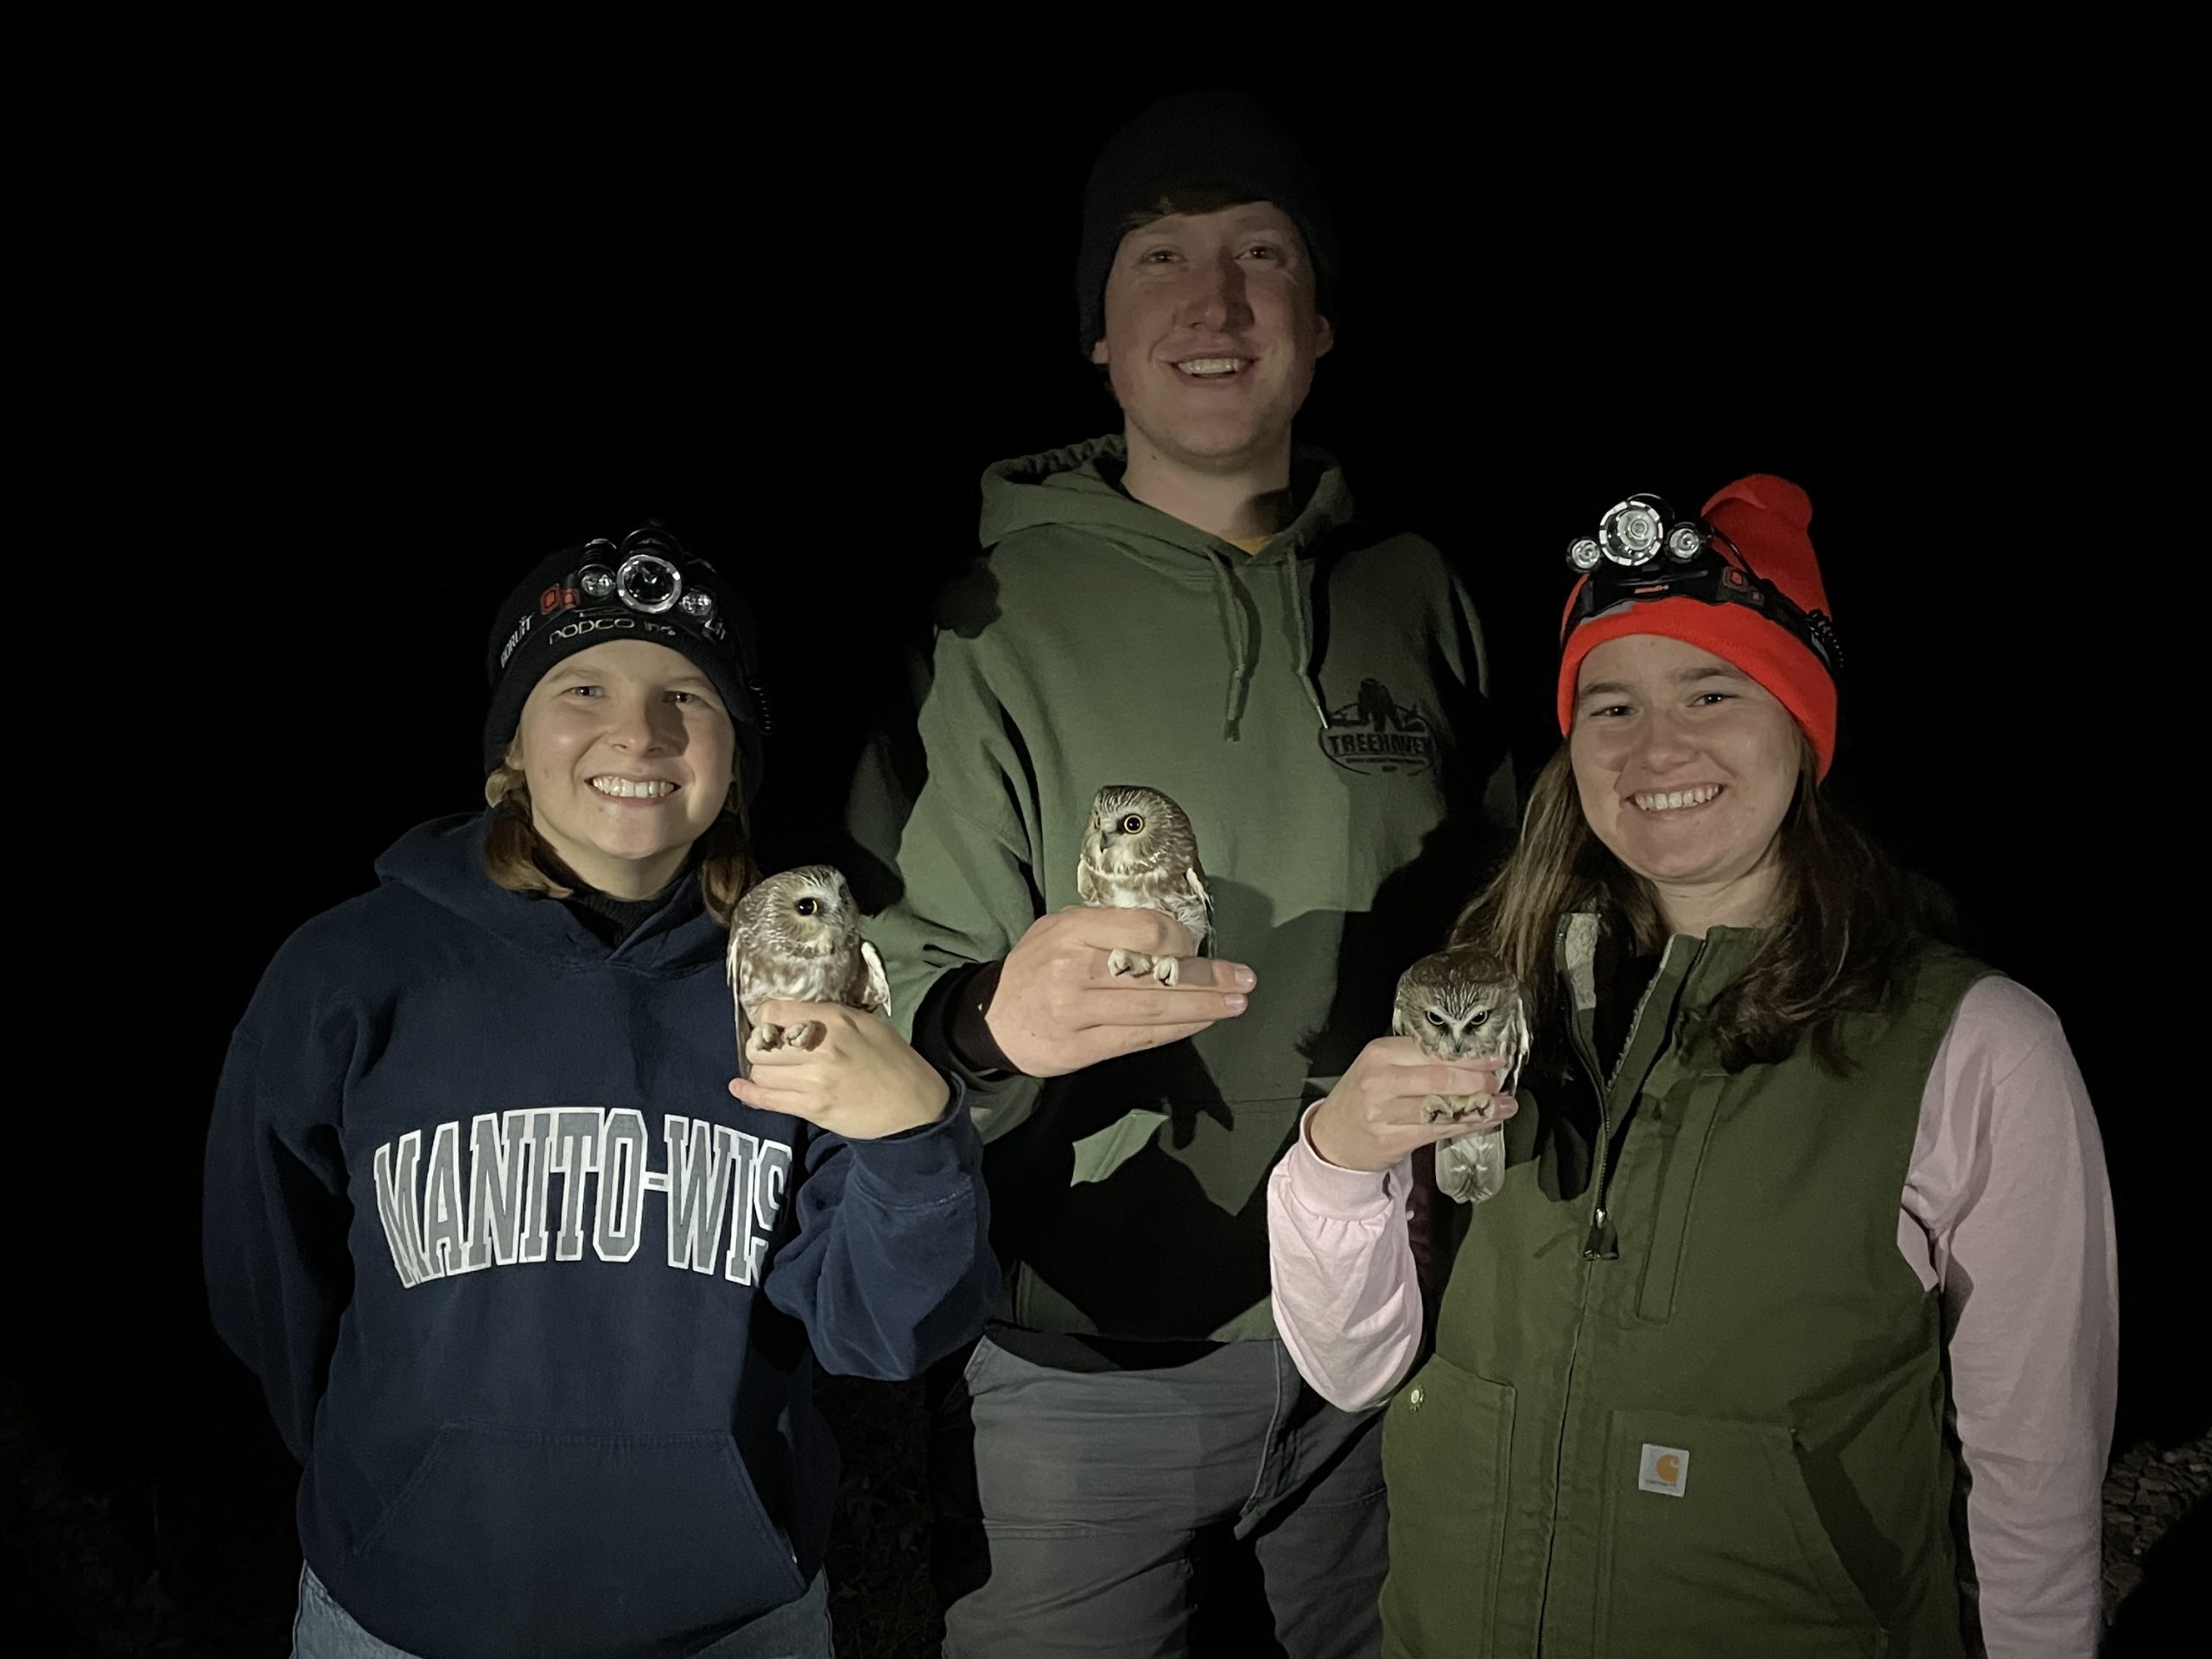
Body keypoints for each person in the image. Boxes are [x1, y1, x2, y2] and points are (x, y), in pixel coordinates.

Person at [848, 92, 1515, 1657]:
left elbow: (1517, 907)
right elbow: (903, 989)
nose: (1213, 305)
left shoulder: (1422, 594)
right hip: (1084, 1363)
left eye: (1262, 254)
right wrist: (991, 1024)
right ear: (1097, 329)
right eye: (1159, 258)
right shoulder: (988, 620)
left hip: (1393, 1330)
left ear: (1322, 317)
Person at [1268, 478, 2118, 1658]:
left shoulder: (1976, 1045)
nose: (1657, 747)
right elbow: (1356, 1369)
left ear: (1800, 721)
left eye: (1712, 690)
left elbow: (2037, 1460)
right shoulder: (1484, 995)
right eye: (1609, 706)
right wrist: (1333, 1167)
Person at [203, 526, 999, 1659]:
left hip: (735, 1620)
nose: (640, 732)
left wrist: (918, 1138)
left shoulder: (797, 981)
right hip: (404, 1616)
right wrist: (398, 1489)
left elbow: (882, 1333)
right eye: (583, 686)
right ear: (513, 742)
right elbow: (266, 1280)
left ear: (736, 753)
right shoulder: (351, 971)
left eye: (689, 693)